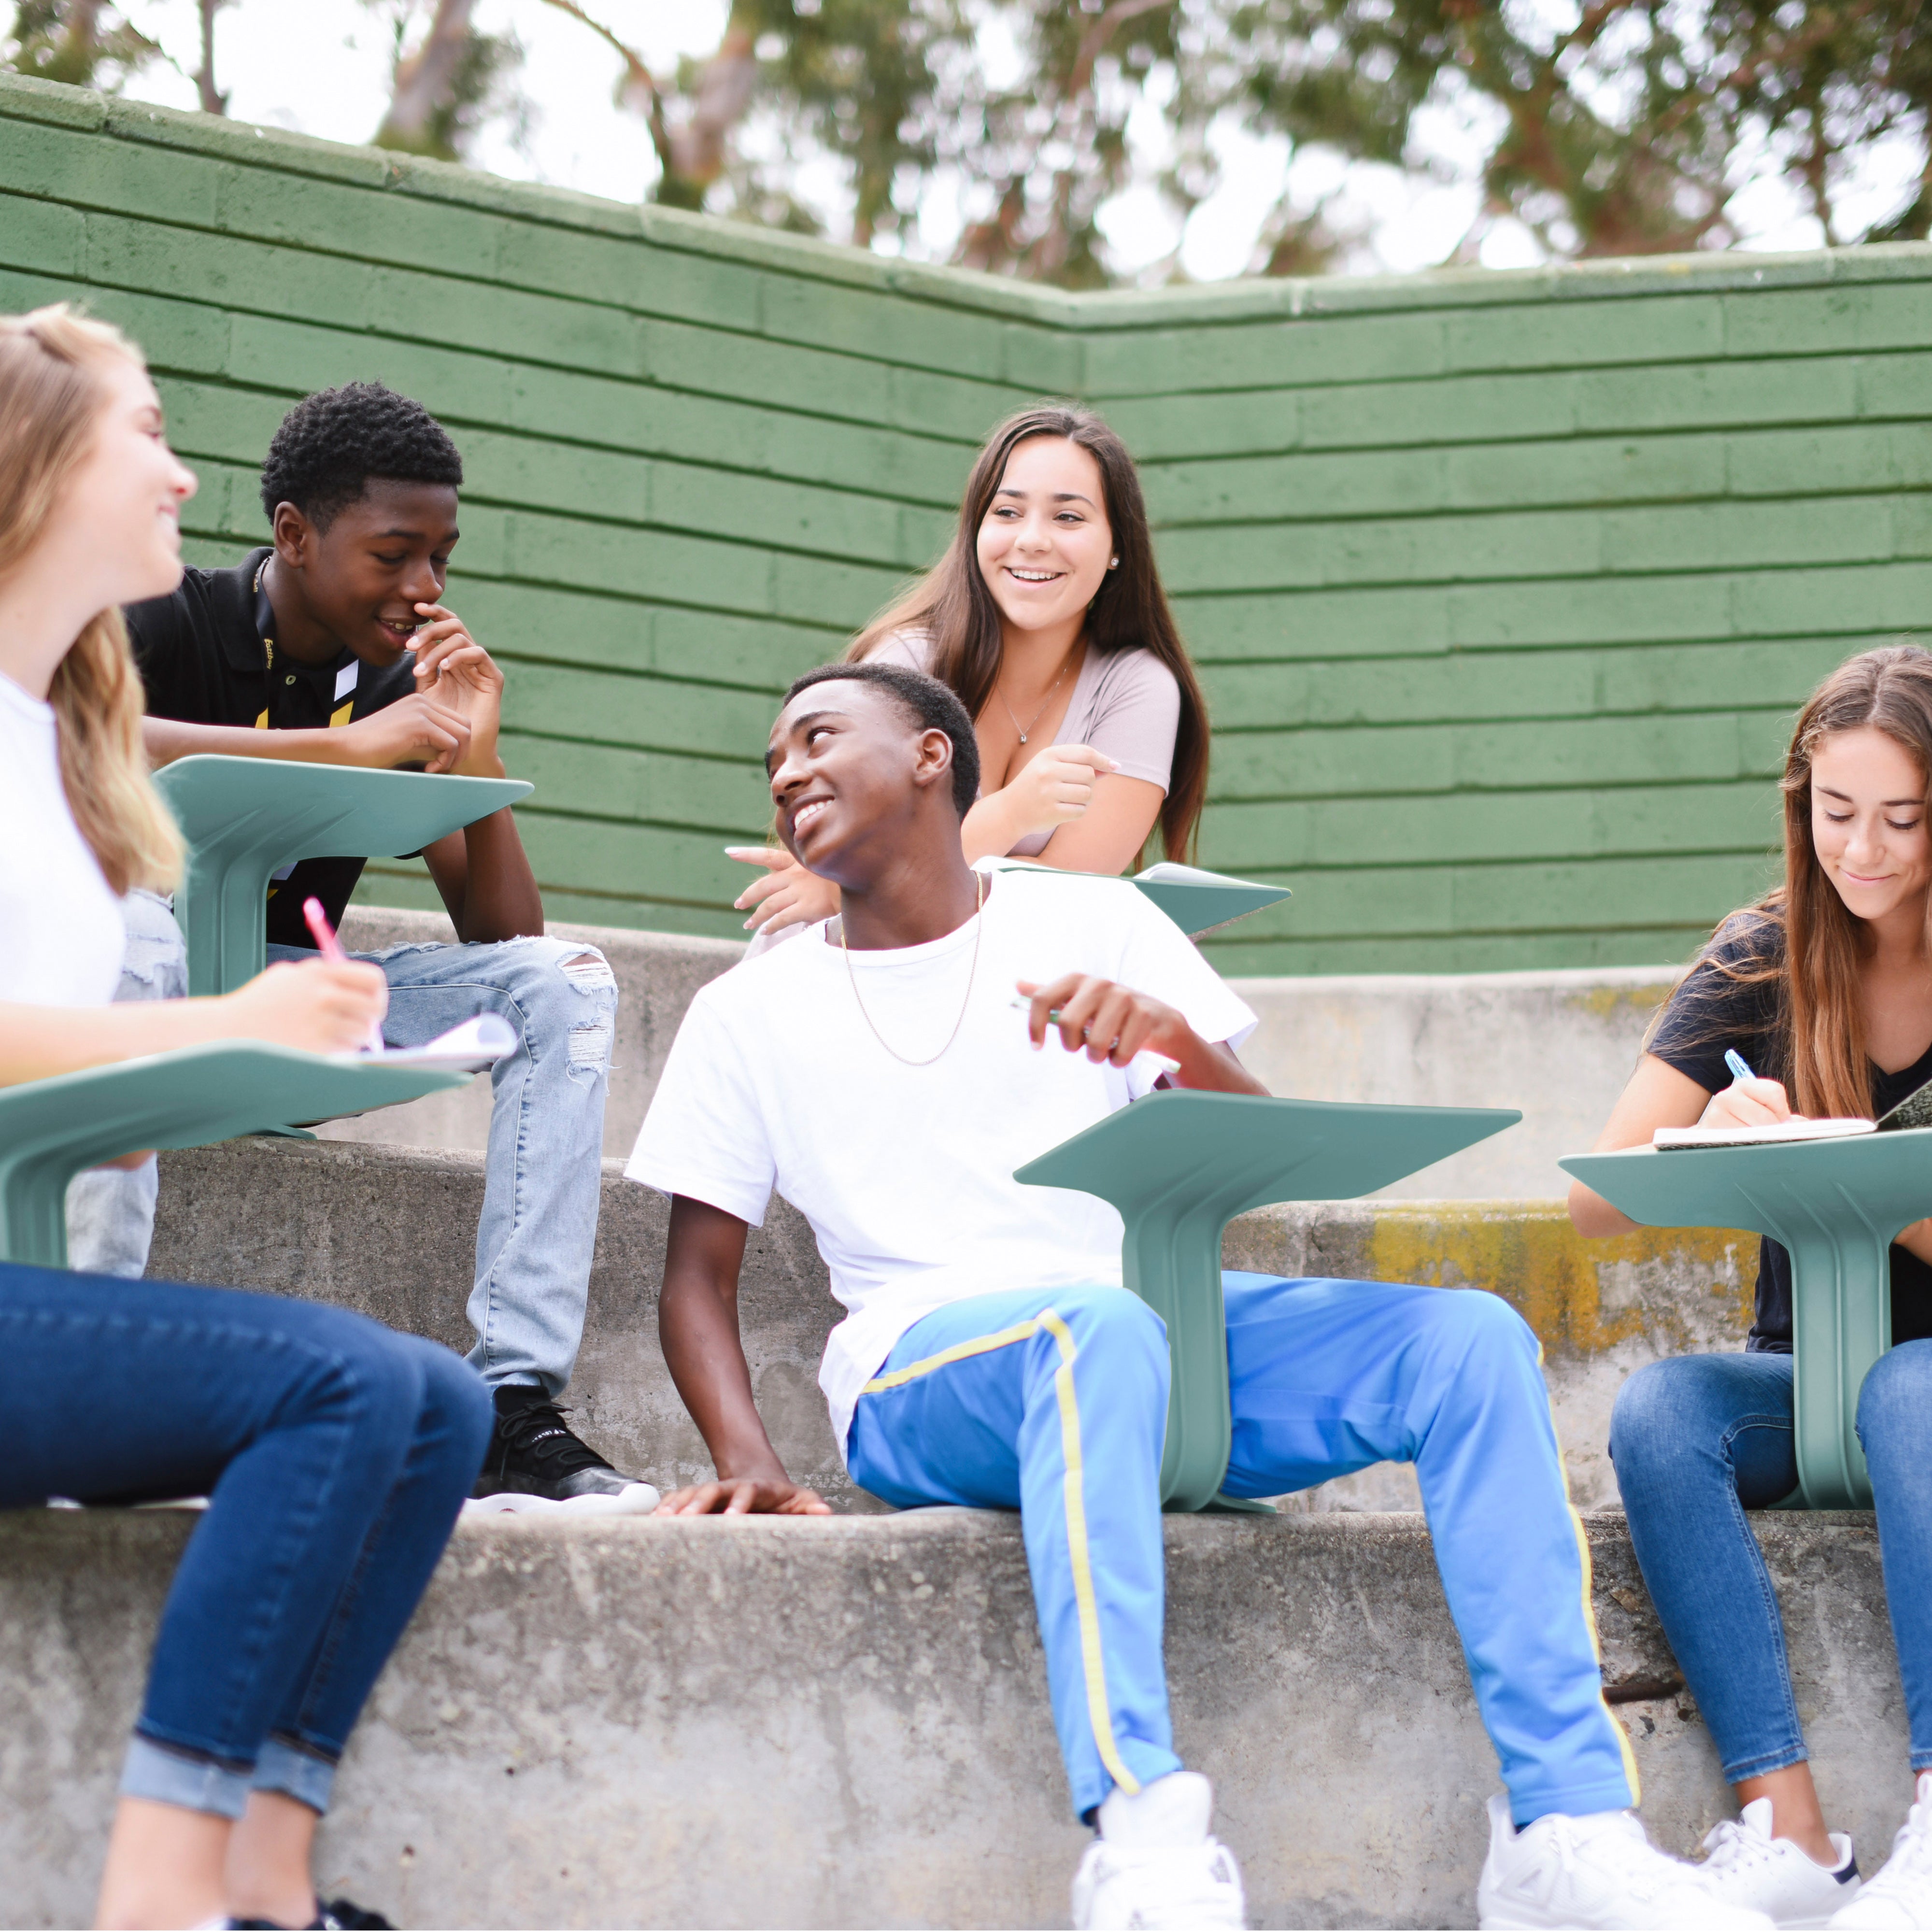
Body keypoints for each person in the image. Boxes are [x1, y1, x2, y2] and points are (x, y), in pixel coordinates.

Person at [628, 659, 1768, 1932]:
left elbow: (1259, 1155)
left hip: (1147, 1338)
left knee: (1467, 1340)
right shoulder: (751, 1011)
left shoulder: (1098, 924)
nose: (787, 773)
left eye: (818, 738)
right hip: (925, 1375)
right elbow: (696, 1276)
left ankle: (1568, 1828)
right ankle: (1142, 1831)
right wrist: (748, 1454)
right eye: (774, 761)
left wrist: (1171, 1039)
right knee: (1094, 1329)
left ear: (933, 755)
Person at [0, 303, 490, 1932]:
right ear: (36, 465)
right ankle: (157, 1901)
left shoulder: (62, 753)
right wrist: (225, 1024)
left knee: (439, 1407)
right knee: (342, 1384)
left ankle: (271, 1884)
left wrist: (241, 1061)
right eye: (149, 433)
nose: (186, 477)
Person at [124, 380, 655, 1517]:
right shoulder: (168, 615)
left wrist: (474, 755)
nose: (426, 588)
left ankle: (511, 1406)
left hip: (294, 1000)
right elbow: (74, 737)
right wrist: (351, 746)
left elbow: (504, 939)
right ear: (294, 534)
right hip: (137, 997)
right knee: (127, 931)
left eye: (443, 559)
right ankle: (80, 1368)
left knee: (561, 984)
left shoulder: (407, 679)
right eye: (395, 554)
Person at [1574, 644, 1932, 1931]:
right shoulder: (1766, 950)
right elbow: (1595, 1196)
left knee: (1911, 1391)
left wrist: (1863, 1169)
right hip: (1801, 1374)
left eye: (1904, 817)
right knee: (1662, 1413)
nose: (1868, 850)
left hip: (1923, 1384)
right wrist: (1725, 1136)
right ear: (1801, 802)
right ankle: (1789, 1832)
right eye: (1839, 814)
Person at [727, 403, 1211, 940]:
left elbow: (1070, 894)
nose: (1032, 540)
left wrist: (881, 873)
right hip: (846, 970)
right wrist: (1011, 814)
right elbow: (861, 867)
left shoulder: (1138, 686)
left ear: (1118, 544)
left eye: (1068, 517)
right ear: (975, 530)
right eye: (1007, 512)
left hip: (1006, 981)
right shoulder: (905, 664)